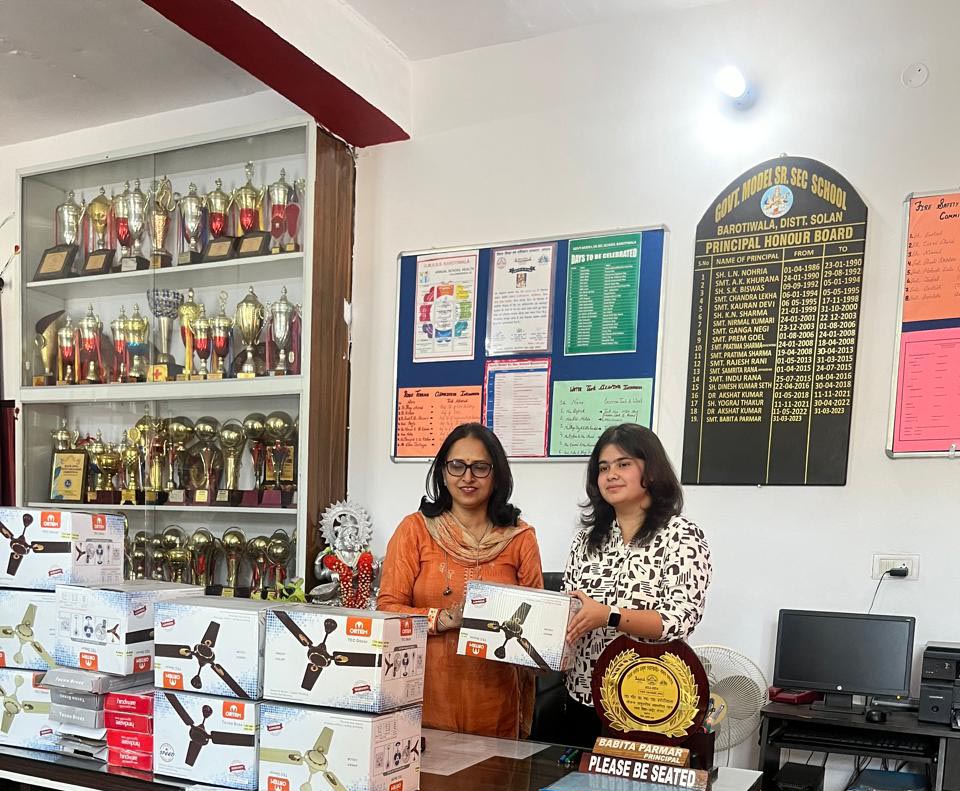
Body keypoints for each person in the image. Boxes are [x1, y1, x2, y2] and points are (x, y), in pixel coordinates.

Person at [377, 423, 544, 738]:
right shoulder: (415, 530)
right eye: (457, 466)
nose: (468, 477)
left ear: (497, 475)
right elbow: (387, 610)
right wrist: (443, 619)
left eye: (480, 467)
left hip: (495, 702)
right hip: (424, 697)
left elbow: (537, 621)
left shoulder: (520, 538)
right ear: (443, 472)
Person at [562, 423, 712, 748]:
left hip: (649, 704)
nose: (611, 475)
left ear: (652, 471)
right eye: (603, 468)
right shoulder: (585, 541)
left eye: (623, 464)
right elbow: (569, 609)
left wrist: (610, 615)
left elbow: (678, 620)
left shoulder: (681, 536)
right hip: (585, 696)